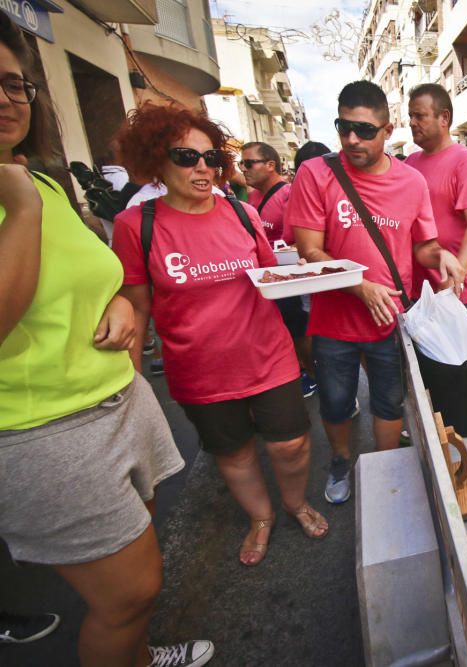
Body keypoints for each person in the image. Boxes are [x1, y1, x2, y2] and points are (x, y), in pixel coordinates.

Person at [0, 15, 213, 666]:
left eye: (14, 84)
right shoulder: (26, 196)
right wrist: (25, 214)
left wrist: (119, 299)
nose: (7, 100)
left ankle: (140, 656)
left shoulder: (38, 181)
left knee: (136, 577)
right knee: (128, 592)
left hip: (118, 399)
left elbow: (96, 277)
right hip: (43, 431)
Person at [112, 104, 328, 568]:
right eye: (186, 157)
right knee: (232, 452)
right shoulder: (138, 226)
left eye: (211, 158)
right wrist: (131, 383)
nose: (203, 168)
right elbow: (136, 306)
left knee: (292, 442)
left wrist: (312, 273)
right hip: (199, 370)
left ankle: (294, 502)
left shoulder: (244, 214)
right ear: (156, 160)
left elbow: (271, 278)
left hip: (268, 355)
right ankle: (262, 516)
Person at [285, 81, 463, 504]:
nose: (351, 139)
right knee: (335, 402)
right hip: (333, 321)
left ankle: (384, 468)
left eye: (364, 130)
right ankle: (342, 459)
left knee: (388, 400)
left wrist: (443, 258)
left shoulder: (411, 182)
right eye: (343, 127)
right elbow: (310, 251)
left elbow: (422, 245)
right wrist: (360, 286)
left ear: (387, 130)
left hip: (390, 319)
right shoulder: (316, 174)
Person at [241, 141, 317, 398]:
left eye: (249, 163)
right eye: (242, 164)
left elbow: (303, 239)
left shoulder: (288, 195)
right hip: (265, 278)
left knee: (297, 329)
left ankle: (313, 373)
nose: (244, 169)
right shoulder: (251, 198)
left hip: (288, 277)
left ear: (270, 165)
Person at [405, 83, 467, 306]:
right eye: (410, 116)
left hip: (452, 291)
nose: (412, 123)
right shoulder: (410, 163)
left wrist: (456, 276)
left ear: (444, 118)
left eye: (420, 116)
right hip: (414, 287)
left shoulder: (466, 161)